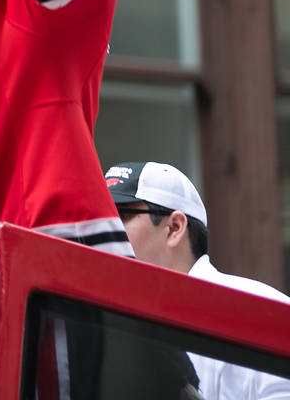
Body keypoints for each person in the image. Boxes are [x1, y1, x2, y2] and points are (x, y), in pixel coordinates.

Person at [105, 161, 290, 400]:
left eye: (122, 215)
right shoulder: (108, 322)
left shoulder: (264, 312)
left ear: (174, 227)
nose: (107, 227)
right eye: (104, 216)